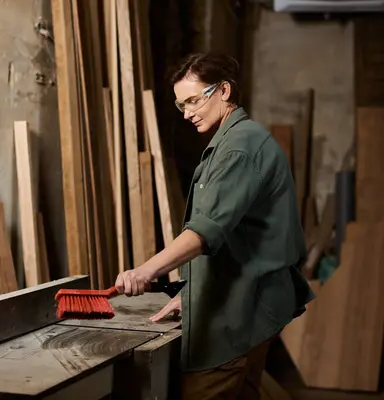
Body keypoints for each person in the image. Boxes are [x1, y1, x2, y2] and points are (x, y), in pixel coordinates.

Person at [114, 52, 315, 399]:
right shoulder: (234, 141)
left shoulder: (239, 148)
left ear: (223, 91)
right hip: (247, 304)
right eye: (181, 106)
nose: (188, 112)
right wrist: (190, 296)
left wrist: (144, 271)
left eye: (193, 100)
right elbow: (237, 233)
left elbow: (204, 232)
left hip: (237, 312)